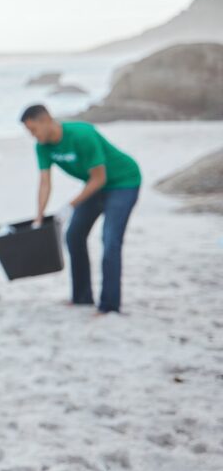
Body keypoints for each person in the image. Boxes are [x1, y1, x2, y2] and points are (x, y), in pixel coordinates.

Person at [20, 104, 141, 314]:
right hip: (95, 187)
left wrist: (69, 206)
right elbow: (45, 183)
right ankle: (82, 298)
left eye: (33, 130)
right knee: (74, 236)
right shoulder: (42, 146)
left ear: (46, 120)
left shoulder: (82, 135)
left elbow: (99, 178)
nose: (32, 136)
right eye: (29, 132)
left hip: (123, 182)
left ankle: (109, 306)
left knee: (110, 240)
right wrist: (38, 218)